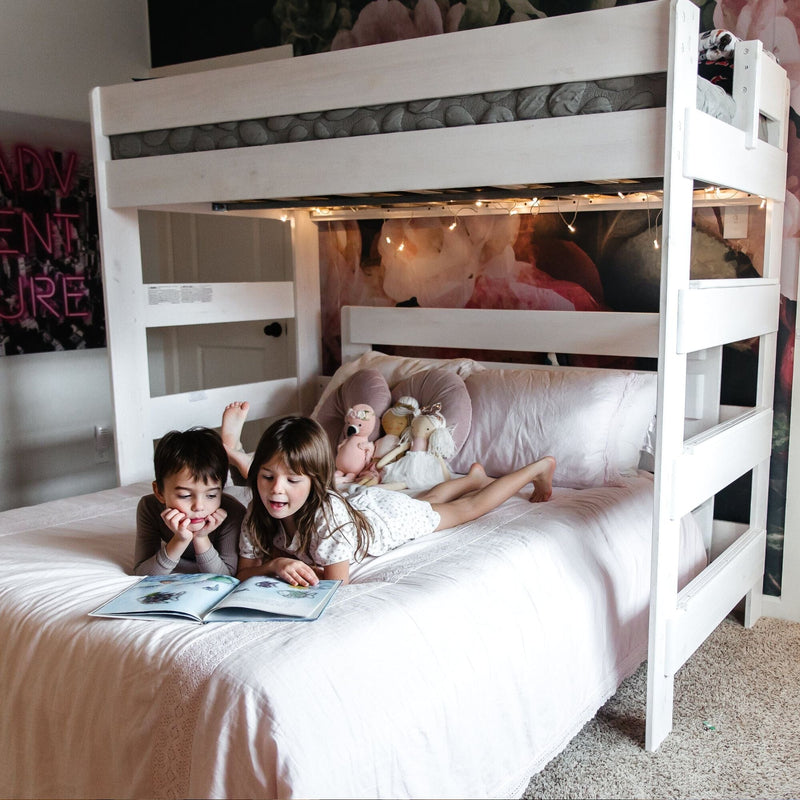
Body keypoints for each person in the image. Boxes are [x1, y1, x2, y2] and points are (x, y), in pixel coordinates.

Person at [236, 415, 555, 585]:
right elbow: (242, 573)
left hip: (383, 521)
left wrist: (285, 568)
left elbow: (336, 584)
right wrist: (275, 565)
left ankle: (537, 469)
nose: (276, 490)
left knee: (464, 509)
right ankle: (471, 478)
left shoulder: (326, 518)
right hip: (362, 505)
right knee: (427, 500)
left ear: (316, 482)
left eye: (292, 480)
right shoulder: (257, 511)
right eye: (267, 477)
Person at [133, 427, 245, 576]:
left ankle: (235, 445)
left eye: (211, 495)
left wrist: (201, 537)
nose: (199, 507)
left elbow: (227, 576)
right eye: (185, 495)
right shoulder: (149, 507)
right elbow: (141, 574)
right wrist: (179, 540)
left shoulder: (232, 513)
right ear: (159, 492)